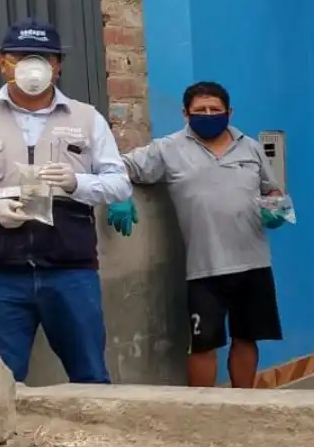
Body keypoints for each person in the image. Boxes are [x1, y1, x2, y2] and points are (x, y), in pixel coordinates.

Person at [0, 22, 132, 383]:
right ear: (2, 62)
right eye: (21, 57)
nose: (32, 66)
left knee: (91, 377)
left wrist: (76, 183)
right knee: (1, 383)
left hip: (70, 271)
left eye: (43, 58)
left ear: (58, 65)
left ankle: (95, 442)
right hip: (0, 274)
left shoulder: (87, 118)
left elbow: (118, 185)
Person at [108, 82, 289, 388]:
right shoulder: (168, 148)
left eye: (215, 110)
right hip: (204, 267)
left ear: (229, 112)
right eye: (200, 110)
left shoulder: (251, 147)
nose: (208, 115)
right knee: (203, 344)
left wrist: (277, 208)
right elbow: (119, 166)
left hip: (254, 263)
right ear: (185, 113)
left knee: (247, 338)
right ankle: (202, 411)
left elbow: (270, 188)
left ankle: (244, 405)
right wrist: (120, 194)